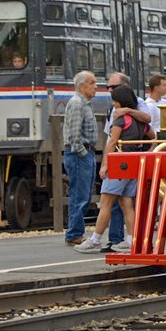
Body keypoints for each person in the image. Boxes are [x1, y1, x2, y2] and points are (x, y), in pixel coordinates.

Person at [75, 84, 153, 254]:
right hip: (134, 165)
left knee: (105, 204)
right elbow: (153, 136)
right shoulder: (141, 121)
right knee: (127, 204)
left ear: (119, 103)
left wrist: (104, 165)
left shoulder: (120, 120)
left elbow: (111, 142)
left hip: (119, 165)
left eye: (115, 101)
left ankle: (95, 240)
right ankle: (131, 240)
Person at [103, 72, 151, 249]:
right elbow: (108, 137)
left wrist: (106, 163)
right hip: (121, 159)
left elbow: (148, 121)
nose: (110, 90)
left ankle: (96, 239)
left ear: (125, 87)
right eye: (108, 87)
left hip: (121, 161)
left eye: (114, 87)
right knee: (123, 203)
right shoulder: (113, 108)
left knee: (113, 202)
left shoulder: (137, 104)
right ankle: (120, 238)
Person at [63, 70, 99, 246]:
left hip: (86, 153)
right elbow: (74, 133)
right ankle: (74, 233)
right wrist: (82, 152)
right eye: (92, 83)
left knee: (84, 194)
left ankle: (76, 231)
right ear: (82, 86)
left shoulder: (85, 103)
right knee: (79, 195)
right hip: (80, 154)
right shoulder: (77, 103)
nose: (96, 86)